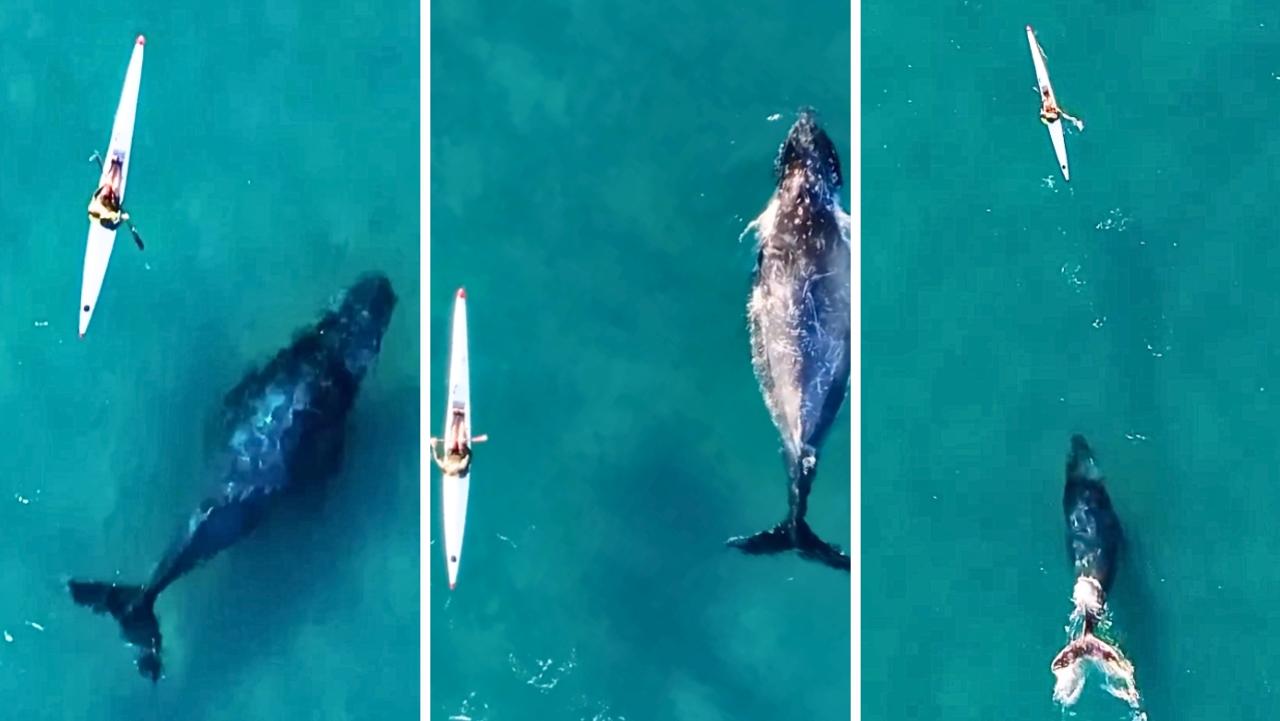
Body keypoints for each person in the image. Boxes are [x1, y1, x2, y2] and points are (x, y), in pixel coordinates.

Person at [87, 154, 129, 231]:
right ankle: (119, 165)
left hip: (103, 200)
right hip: (112, 207)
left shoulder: (94, 206)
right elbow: (113, 227)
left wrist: (104, 186)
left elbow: (96, 194)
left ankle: (114, 164)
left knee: (108, 185)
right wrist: (123, 218)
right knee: (116, 188)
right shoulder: (105, 221)